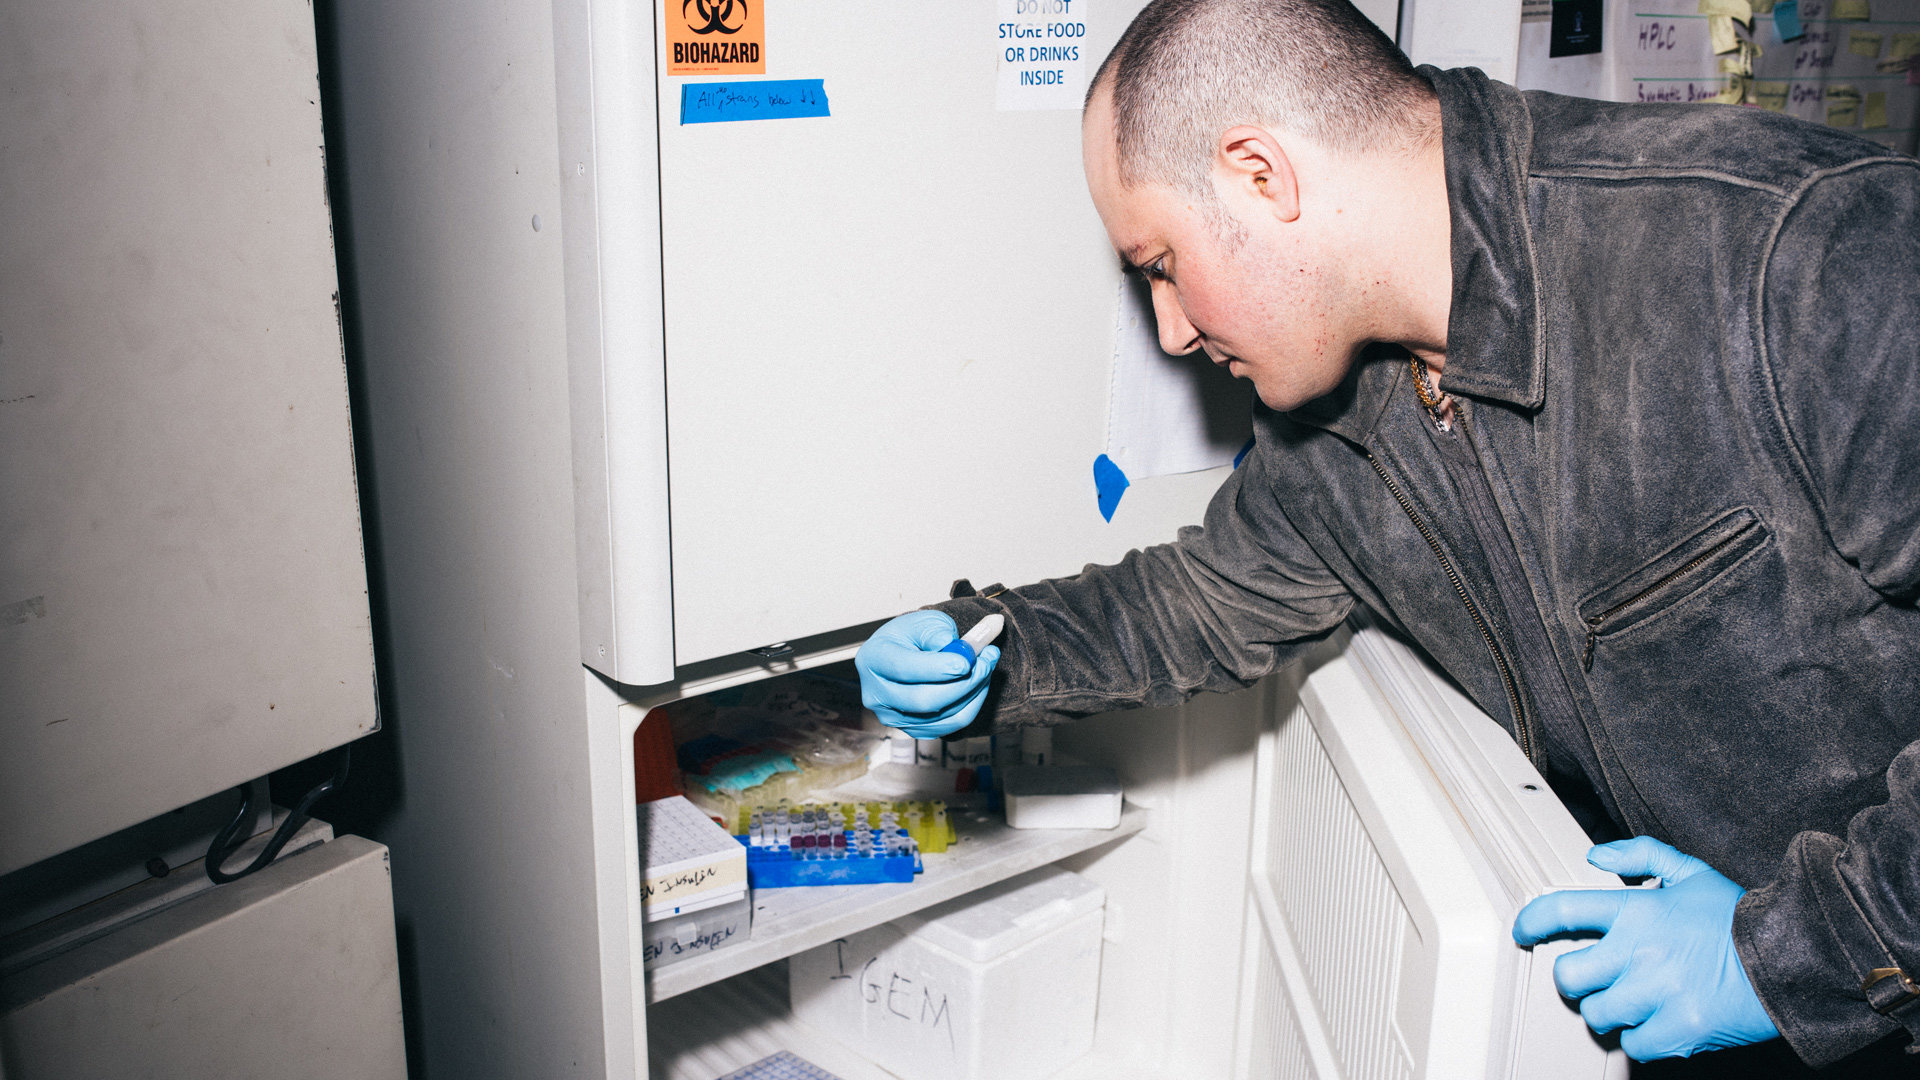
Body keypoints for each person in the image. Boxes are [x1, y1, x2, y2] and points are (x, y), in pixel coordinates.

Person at [853, 0, 1920, 1071]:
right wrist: (993, 647)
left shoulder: (1802, 248)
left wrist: (1804, 948)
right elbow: (1203, 599)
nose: (1170, 330)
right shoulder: (1335, 415)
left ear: (1259, 175)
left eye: (1162, 263)